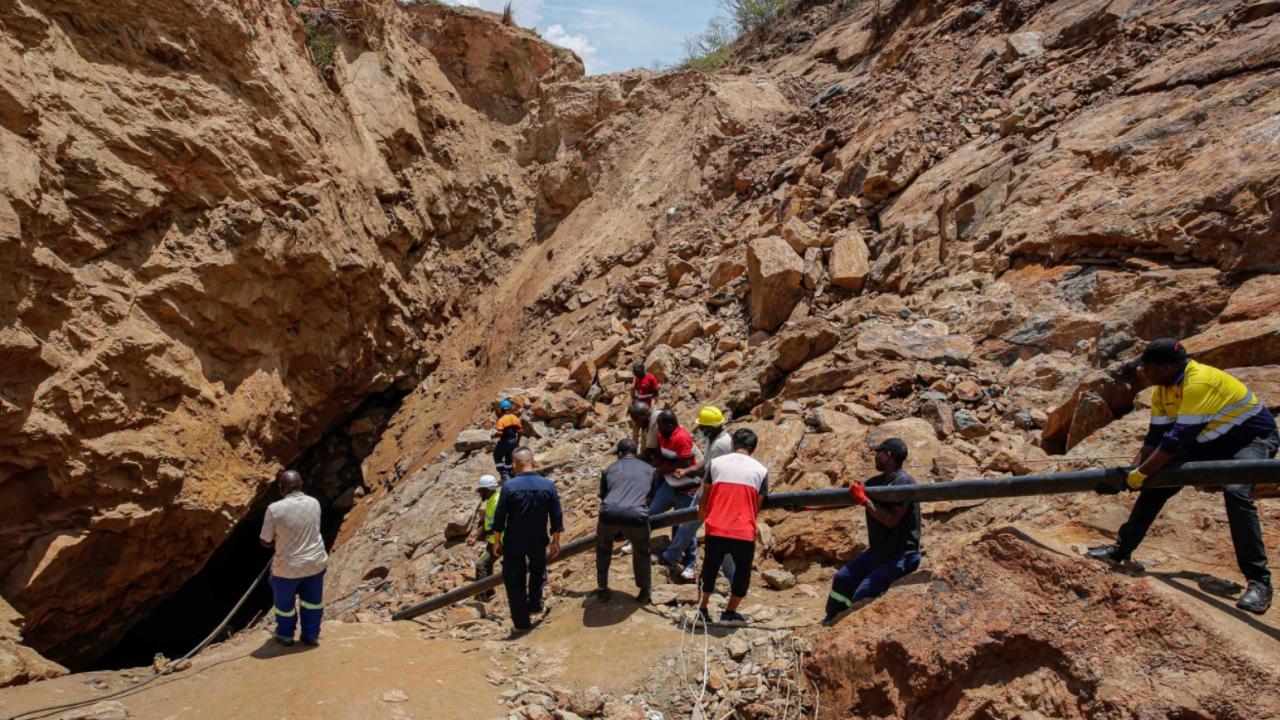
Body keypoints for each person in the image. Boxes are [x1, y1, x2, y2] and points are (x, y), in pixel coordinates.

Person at [1086, 338, 1279, 614]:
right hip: (1209, 438)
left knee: (1236, 489)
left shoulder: (1199, 382)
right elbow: (1154, 440)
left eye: (1147, 367)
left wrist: (1139, 474)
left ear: (1166, 368)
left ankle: (1260, 582)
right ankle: (1121, 549)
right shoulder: (1161, 391)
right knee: (1157, 482)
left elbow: (1176, 442)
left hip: (1251, 438)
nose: (1143, 372)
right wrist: (1129, 475)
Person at [822, 438, 922, 625]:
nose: (874, 457)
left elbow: (891, 520)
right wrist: (806, 508)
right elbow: (847, 500)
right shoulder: (878, 481)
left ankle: (849, 627)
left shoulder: (904, 482)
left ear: (887, 455)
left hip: (900, 557)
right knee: (842, 578)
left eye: (878, 453)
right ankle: (832, 621)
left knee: (863, 594)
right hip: (878, 553)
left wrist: (865, 501)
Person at [695, 428, 768, 627]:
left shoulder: (715, 464)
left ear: (732, 445)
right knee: (742, 574)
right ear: (754, 448)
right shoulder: (761, 470)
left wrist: (703, 513)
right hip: (743, 530)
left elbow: (706, 495)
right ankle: (730, 613)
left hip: (716, 526)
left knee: (709, 569)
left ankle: (701, 610)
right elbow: (757, 505)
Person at [492, 447, 564, 633]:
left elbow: (499, 518)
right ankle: (535, 603)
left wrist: (497, 541)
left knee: (514, 580)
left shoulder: (508, 487)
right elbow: (556, 515)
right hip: (538, 540)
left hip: (514, 543)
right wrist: (555, 540)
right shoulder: (548, 485)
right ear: (534, 463)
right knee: (538, 571)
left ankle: (521, 624)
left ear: (514, 466)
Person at [662, 406, 736, 582]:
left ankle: (732, 579)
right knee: (688, 525)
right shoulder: (715, 438)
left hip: (715, 497)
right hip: (706, 492)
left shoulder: (721, 445)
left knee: (719, 537)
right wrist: (688, 470)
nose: (701, 431)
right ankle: (671, 556)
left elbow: (711, 475)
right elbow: (706, 462)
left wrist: (692, 473)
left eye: (702, 428)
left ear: (709, 428)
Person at [260, 470, 329, 647]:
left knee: (285, 606)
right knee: (312, 602)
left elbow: (265, 540)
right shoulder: (314, 503)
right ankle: (310, 635)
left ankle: (285, 635)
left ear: (281, 488)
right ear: (301, 485)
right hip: (315, 563)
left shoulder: (274, 509)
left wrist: (279, 541)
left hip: (288, 567)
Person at [595, 439, 660, 603]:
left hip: (609, 514)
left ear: (619, 454)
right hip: (637, 514)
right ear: (636, 453)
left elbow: (604, 498)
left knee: (603, 548)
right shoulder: (649, 469)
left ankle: (602, 588)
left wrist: (617, 530)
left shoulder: (609, 469)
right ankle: (644, 591)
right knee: (642, 551)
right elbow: (649, 497)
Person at [647, 410, 699, 571]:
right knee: (650, 514)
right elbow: (663, 456)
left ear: (670, 425)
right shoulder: (663, 435)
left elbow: (685, 463)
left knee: (685, 527)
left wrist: (664, 470)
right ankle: (638, 544)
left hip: (687, 490)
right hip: (669, 486)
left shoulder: (682, 437)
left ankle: (689, 564)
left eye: (660, 426)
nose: (658, 429)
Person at [467, 474, 502, 599]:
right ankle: (489, 592)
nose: (479, 493)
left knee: (481, 564)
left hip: (501, 541)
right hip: (494, 540)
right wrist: (476, 538)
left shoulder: (497, 502)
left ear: (486, 490)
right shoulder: (492, 500)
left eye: (480, 490)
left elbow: (498, 526)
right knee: (487, 564)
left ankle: (481, 596)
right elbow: (488, 524)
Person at [493, 400, 523, 482]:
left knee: (497, 457)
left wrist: (493, 436)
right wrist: (518, 442)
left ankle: (504, 474)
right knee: (508, 457)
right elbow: (520, 431)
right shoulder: (515, 418)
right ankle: (509, 473)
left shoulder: (501, 420)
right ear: (509, 409)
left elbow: (499, 433)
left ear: (502, 409)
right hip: (514, 441)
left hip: (505, 441)